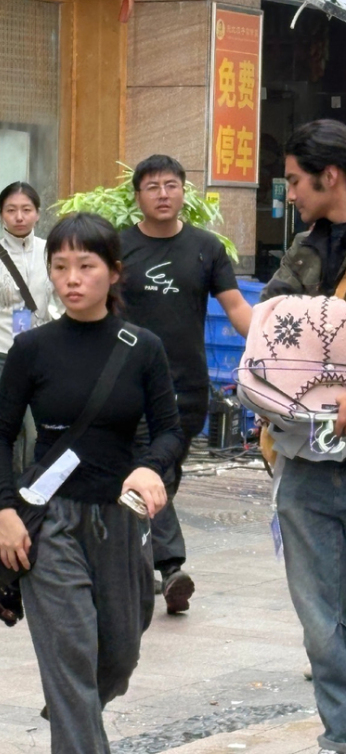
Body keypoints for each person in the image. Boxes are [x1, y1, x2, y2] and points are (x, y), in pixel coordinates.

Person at [0, 212, 185, 754]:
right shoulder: (32, 349)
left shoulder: (142, 347)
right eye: (60, 266)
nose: (72, 278)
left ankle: (71, 702)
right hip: (50, 521)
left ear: (114, 272)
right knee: (71, 652)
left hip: (118, 519)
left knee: (119, 654)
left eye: (86, 265)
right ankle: (74, 713)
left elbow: (170, 430)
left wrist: (151, 466)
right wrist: (4, 510)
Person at [119, 154, 252, 613]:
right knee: (148, 465)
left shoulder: (206, 248)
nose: (162, 194)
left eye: (171, 185)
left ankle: (140, 562)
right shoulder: (118, 247)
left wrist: (270, 346)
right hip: (128, 381)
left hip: (187, 386)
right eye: (152, 186)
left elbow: (236, 307)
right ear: (137, 195)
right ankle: (171, 565)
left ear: (183, 193)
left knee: (164, 475)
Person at [260, 119, 346, 754]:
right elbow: (269, 323)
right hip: (309, 460)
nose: (289, 192)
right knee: (320, 620)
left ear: (330, 175)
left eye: (294, 179)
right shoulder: (306, 247)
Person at [0, 181, 58, 485]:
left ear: (38, 214)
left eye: (26, 209)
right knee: (0, 439)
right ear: (1, 215)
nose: (19, 216)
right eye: (11, 210)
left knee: (41, 435)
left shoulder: (50, 252)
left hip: (43, 357)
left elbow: (62, 303)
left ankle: (34, 510)